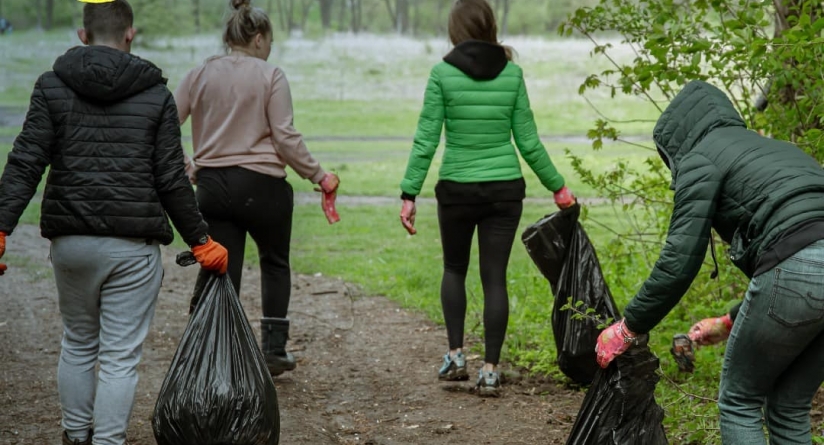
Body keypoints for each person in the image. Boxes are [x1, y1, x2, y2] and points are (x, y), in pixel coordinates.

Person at [0, 1, 229, 444]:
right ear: (130, 34)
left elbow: (26, 161)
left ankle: (75, 436)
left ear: (82, 35)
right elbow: (170, 178)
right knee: (120, 357)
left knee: (79, 342)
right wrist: (200, 239)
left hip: (71, 244)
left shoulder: (51, 86)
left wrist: (2, 225)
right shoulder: (156, 95)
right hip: (133, 247)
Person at [595, 80, 824, 444]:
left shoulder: (701, 158)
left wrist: (628, 328)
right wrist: (730, 319)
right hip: (802, 268)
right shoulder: (778, 150)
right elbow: (811, 252)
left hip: (794, 264)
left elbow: (679, 259)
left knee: (739, 402)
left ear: (675, 143)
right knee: (789, 406)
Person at [398, 0, 575, 398]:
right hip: (504, 190)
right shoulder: (512, 74)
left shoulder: (442, 74)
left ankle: (457, 356)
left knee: (454, 268)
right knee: (494, 277)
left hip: (457, 190)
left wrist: (409, 193)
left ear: (455, 32)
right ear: (491, 27)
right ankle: (491, 371)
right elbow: (527, 141)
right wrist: (558, 186)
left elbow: (426, 140)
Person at [174, 0, 340, 377]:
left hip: (214, 187)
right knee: (275, 262)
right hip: (264, 188)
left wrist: (189, 166)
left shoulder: (199, 74)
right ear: (259, 38)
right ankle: (274, 351)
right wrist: (319, 175)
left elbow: (165, 122)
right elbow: (284, 137)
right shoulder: (271, 75)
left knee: (222, 268)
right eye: (271, 42)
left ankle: (215, 350)